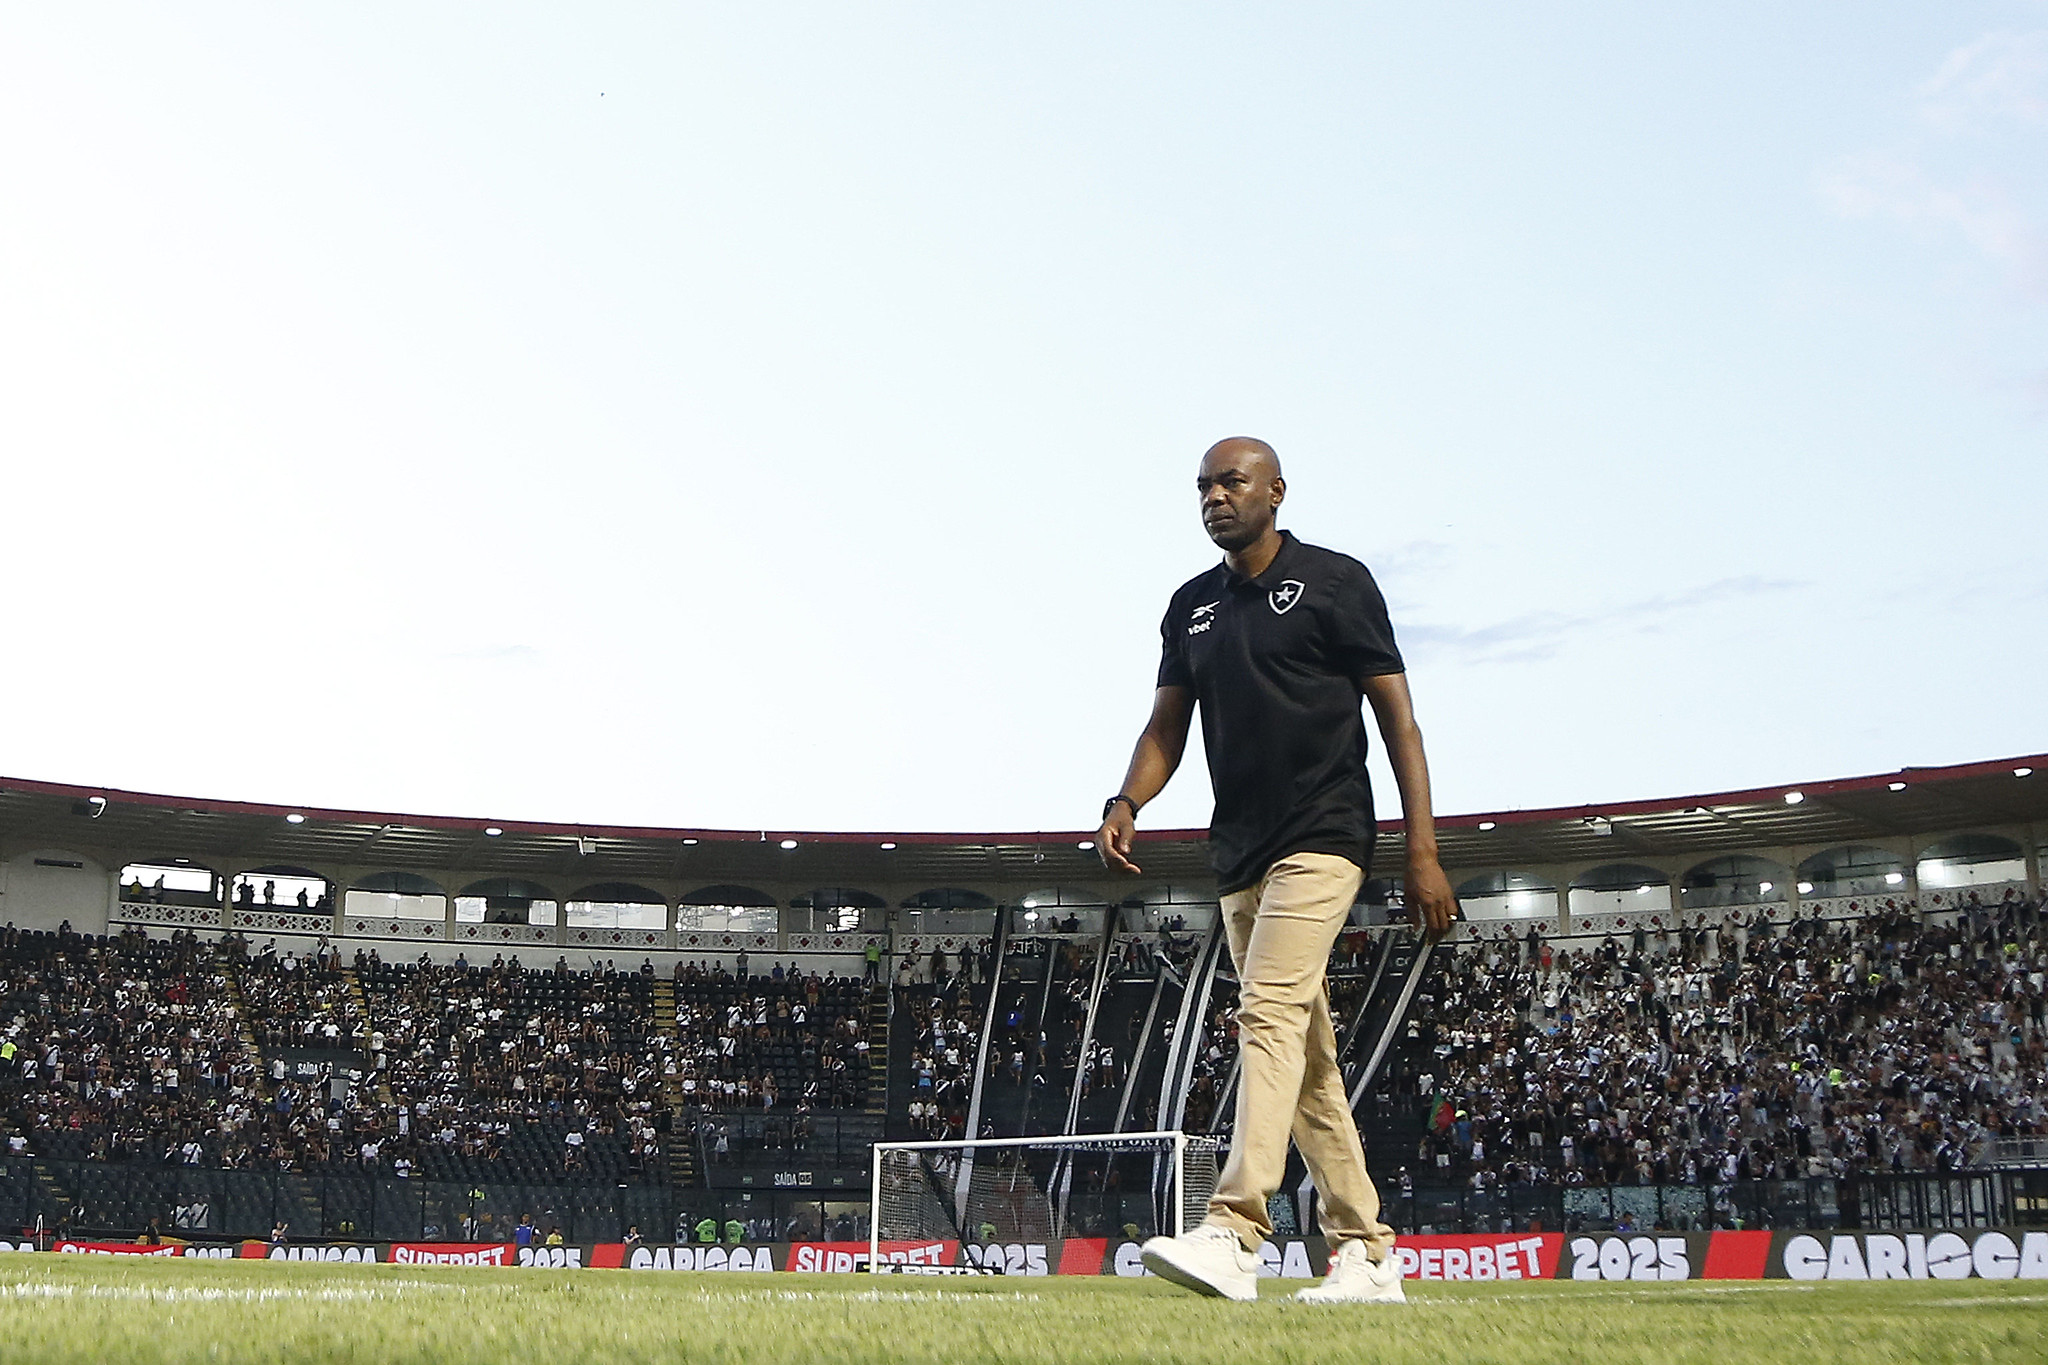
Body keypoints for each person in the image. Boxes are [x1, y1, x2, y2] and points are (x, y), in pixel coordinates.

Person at [1097, 437, 1456, 1305]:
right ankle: (1368, 1252)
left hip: (1325, 835)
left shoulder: (1337, 582)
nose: (1215, 496)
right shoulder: (1190, 607)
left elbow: (1399, 721)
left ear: (1276, 491)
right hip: (1238, 853)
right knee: (1308, 1060)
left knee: (1265, 1012)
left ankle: (1235, 1227)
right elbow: (1166, 729)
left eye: (1232, 481)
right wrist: (1125, 799)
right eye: (1203, 487)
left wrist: (1423, 848)